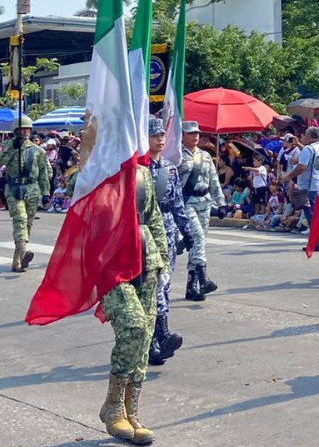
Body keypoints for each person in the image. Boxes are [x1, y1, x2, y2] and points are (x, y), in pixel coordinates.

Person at [97, 154, 167, 446]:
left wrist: (163, 259)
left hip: (146, 258)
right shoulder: (95, 171)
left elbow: (153, 216)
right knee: (133, 327)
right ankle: (112, 405)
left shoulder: (143, 173)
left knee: (145, 337)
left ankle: (131, 413)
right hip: (111, 262)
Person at [145, 117, 198, 366]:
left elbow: (177, 204)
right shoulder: (138, 169)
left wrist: (186, 231)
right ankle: (153, 340)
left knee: (164, 284)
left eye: (161, 135)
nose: (159, 139)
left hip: (167, 232)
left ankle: (160, 336)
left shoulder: (170, 168)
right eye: (154, 135)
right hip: (145, 233)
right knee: (150, 286)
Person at [177, 121, 226, 301]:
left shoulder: (205, 156)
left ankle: (192, 286)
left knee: (199, 243)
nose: (195, 136)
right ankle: (203, 279)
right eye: (190, 133)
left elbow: (213, 180)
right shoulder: (176, 156)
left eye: (197, 133)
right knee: (197, 237)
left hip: (204, 203)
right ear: (182, 135)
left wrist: (221, 203)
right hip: (187, 202)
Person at [0, 114, 50, 273]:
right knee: (20, 219)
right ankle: (24, 252)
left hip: (32, 189)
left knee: (27, 224)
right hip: (14, 188)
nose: (25, 132)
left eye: (27, 129)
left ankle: (17, 260)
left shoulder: (38, 150)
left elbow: (43, 173)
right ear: (16, 131)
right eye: (22, 129)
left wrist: (46, 192)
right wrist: (13, 148)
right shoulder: (8, 146)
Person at [282, 127, 319, 250]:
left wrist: (289, 176)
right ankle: (318, 241)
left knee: (311, 215)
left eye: (305, 135)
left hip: (307, 187)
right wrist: (299, 145)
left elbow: (302, 167)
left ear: (309, 136)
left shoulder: (308, 149)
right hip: (317, 185)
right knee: (315, 214)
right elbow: (310, 156)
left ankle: (317, 243)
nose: (302, 137)